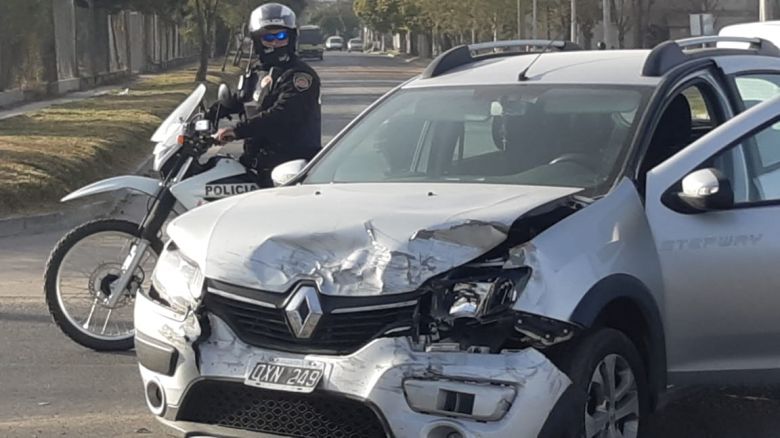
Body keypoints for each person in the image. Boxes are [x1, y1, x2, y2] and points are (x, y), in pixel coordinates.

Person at [214, 2, 321, 186]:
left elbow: (283, 115)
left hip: (290, 170)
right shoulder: (257, 72)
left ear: (291, 37)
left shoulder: (300, 76)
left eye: (281, 36)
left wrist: (237, 130)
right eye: (268, 37)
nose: (274, 42)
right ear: (257, 40)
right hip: (259, 163)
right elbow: (239, 100)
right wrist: (208, 115)